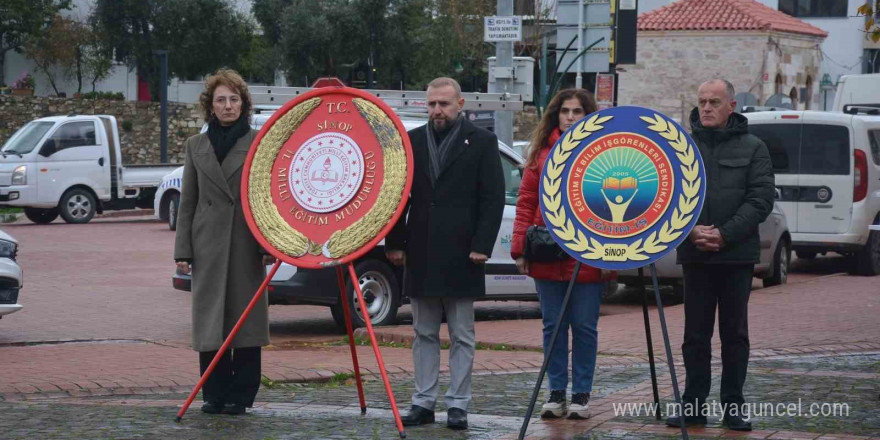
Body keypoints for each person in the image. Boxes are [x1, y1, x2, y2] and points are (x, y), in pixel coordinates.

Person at [386, 77, 505, 430]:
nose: (437, 110)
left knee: (462, 334)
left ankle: (458, 404)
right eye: (432, 104)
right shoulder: (412, 141)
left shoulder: (482, 142)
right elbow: (398, 196)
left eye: (444, 104)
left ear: (460, 104)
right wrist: (394, 242)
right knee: (423, 332)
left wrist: (482, 245)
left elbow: (492, 198)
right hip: (420, 249)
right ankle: (422, 402)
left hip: (464, 252)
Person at [666, 79, 774, 431]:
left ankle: (734, 406)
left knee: (734, 334)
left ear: (732, 106)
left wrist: (724, 235)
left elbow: (760, 200)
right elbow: (666, 197)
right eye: (702, 102)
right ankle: (693, 405)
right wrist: (691, 230)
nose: (706, 108)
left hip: (736, 256)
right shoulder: (681, 147)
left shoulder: (754, 147)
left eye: (714, 101)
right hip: (695, 254)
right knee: (695, 336)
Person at [174, 69, 275, 416]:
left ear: (243, 104)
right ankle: (212, 393)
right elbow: (187, 202)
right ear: (211, 105)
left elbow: (266, 197)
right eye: (221, 100)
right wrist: (182, 252)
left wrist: (268, 244)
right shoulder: (195, 146)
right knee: (210, 320)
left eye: (234, 99)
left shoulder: (259, 142)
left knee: (244, 321)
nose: (228, 106)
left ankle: (242, 395)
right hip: (207, 245)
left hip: (247, 243)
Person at [510, 88, 614, 420]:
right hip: (546, 252)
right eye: (565, 111)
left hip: (588, 255)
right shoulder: (541, 155)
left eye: (577, 111)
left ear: (588, 115)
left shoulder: (604, 153)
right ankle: (556, 393)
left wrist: (614, 254)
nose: (570, 116)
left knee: (584, 327)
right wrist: (519, 249)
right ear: (556, 114)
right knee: (553, 327)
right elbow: (526, 203)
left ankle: (581, 394)